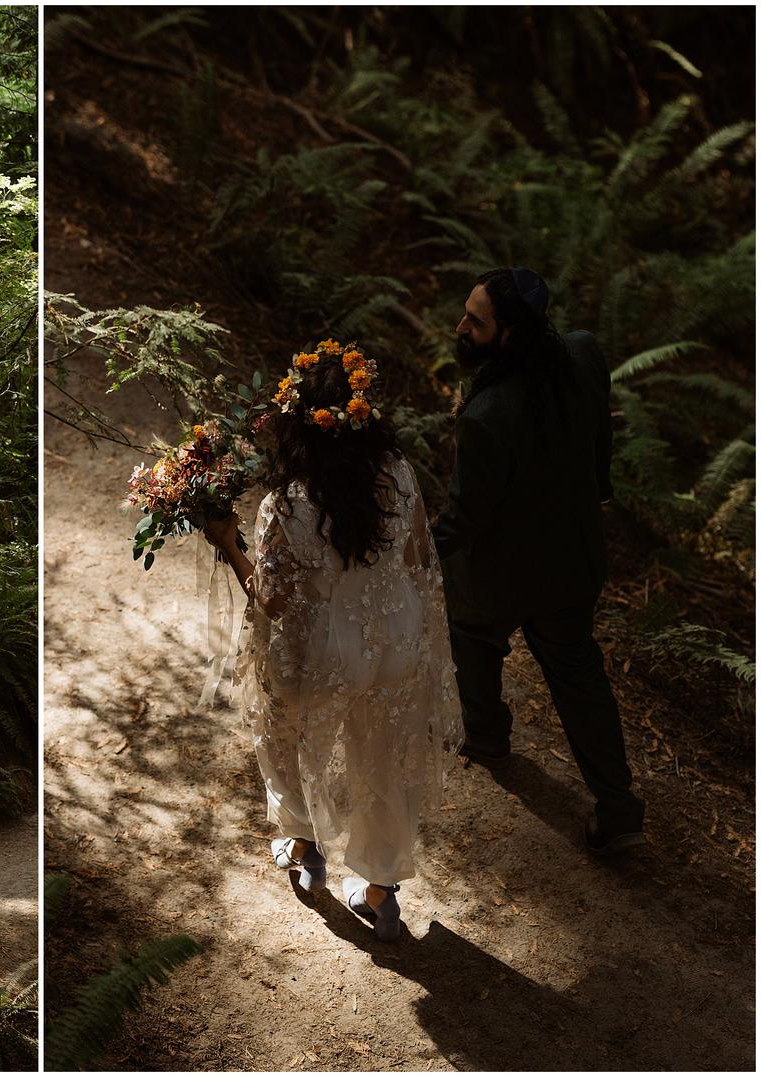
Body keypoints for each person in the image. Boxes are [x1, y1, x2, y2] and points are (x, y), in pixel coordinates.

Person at [205, 339, 461, 942]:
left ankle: (304, 846)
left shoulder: (286, 503)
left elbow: (270, 599)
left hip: (323, 651)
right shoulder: (397, 476)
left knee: (285, 732)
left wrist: (226, 543)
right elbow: (421, 554)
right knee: (382, 762)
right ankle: (378, 892)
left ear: (300, 426)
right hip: (396, 638)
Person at [434, 266, 646, 855]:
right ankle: (619, 807)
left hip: (500, 574)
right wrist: (597, 487)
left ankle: (486, 736)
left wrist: (415, 547)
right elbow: (600, 431)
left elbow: (465, 519)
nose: (461, 326)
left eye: (475, 321)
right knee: (579, 676)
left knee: (473, 637)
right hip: (572, 561)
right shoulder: (581, 354)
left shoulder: (486, 416)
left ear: (511, 333)